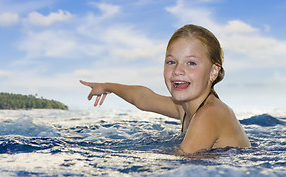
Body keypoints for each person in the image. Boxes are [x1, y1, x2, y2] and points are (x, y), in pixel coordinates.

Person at [80, 24, 251, 154]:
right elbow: (143, 98)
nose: (178, 70)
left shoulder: (210, 114)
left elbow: (179, 166)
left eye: (191, 63)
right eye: (171, 62)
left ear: (214, 71)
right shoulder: (186, 107)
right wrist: (106, 86)